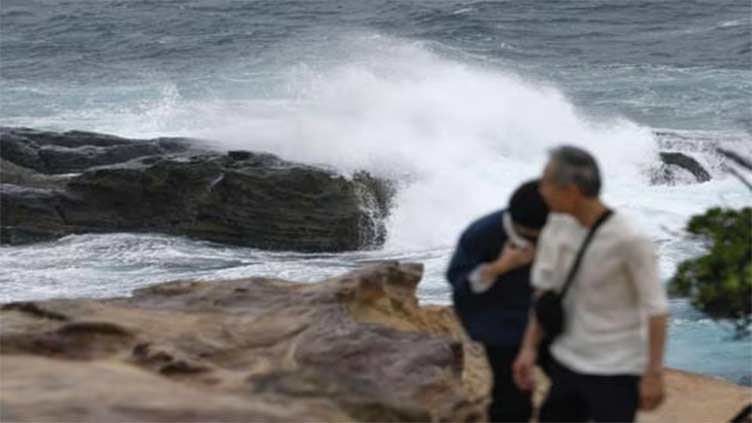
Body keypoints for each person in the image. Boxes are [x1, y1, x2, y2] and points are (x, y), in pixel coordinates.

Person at [513, 146, 670, 422]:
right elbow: (544, 294)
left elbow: (656, 311)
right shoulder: (556, 228)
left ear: (571, 191)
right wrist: (528, 348)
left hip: (616, 370)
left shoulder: (629, 239)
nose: (541, 191)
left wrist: (653, 375)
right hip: (567, 362)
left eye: (546, 183)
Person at [447, 180, 550, 422]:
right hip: (499, 322)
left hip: (547, 315)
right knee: (513, 398)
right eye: (531, 237)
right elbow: (459, 283)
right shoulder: (482, 234)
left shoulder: (560, 225)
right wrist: (499, 267)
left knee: (575, 381)